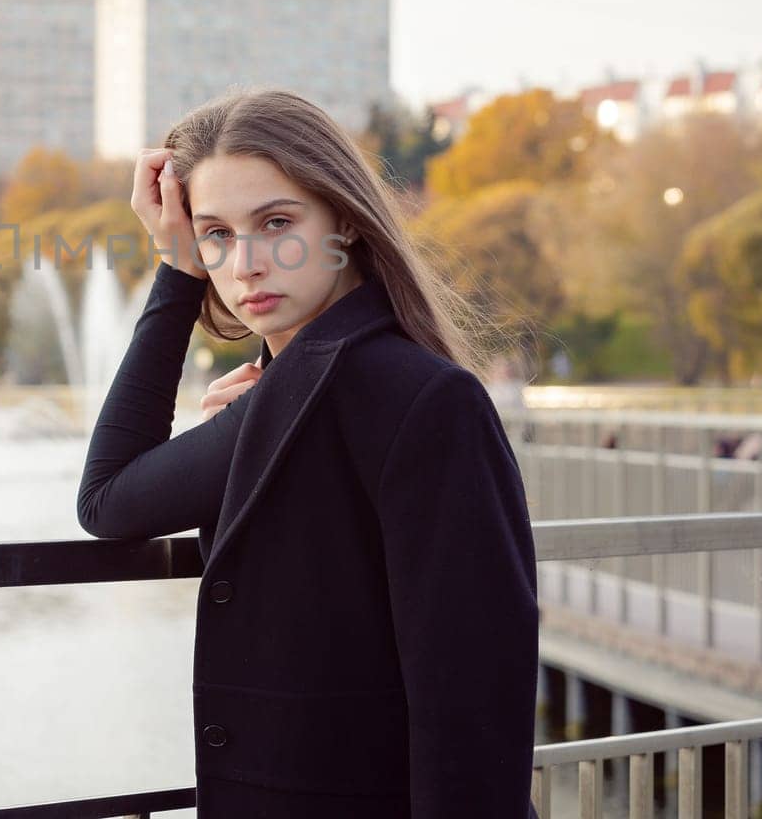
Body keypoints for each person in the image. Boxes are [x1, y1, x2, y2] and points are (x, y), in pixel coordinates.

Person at [77, 88, 539, 817]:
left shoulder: (424, 399)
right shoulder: (275, 399)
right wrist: (178, 267)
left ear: (346, 221)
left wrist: (177, 278)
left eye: (277, 223)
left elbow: (473, 706)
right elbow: (109, 504)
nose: (246, 264)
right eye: (216, 235)